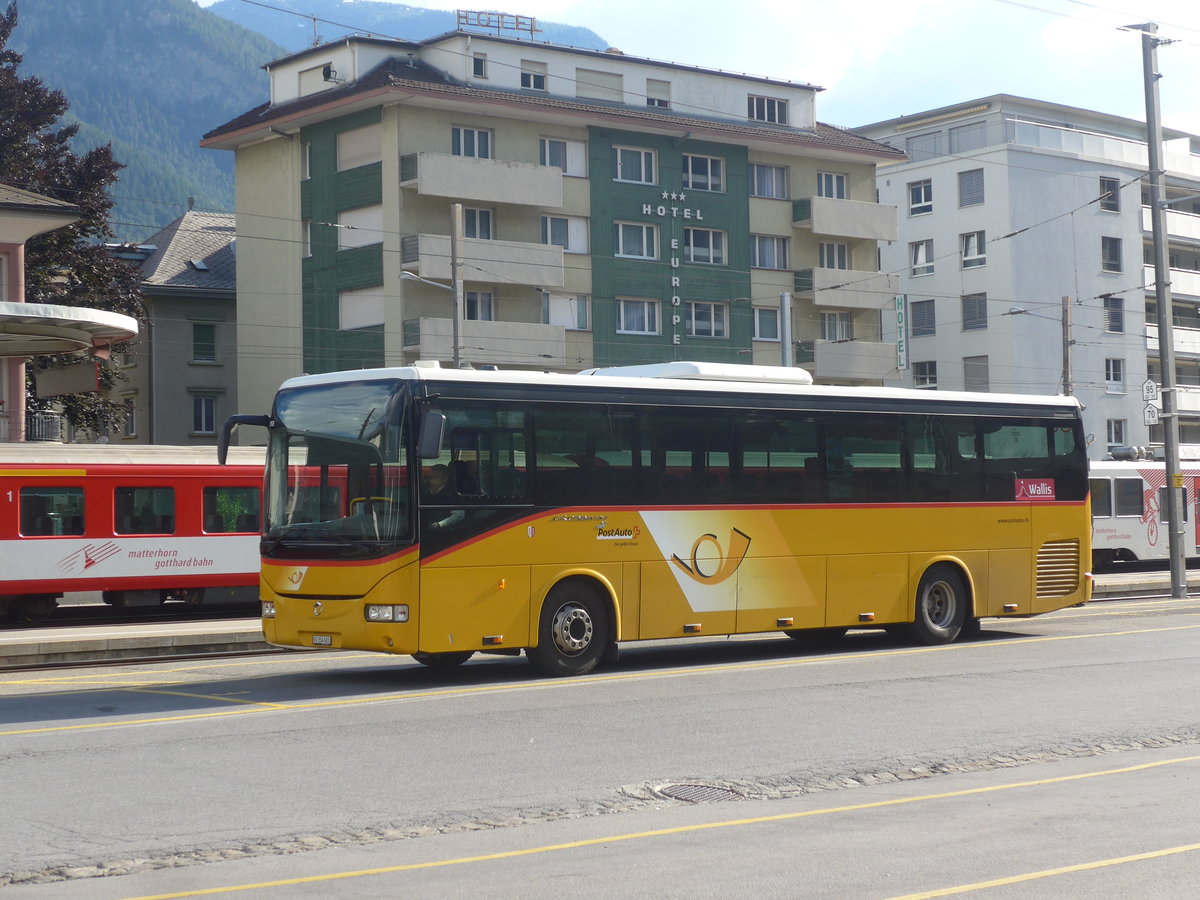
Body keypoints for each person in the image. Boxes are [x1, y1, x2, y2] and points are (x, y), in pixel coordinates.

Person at [423, 464, 464, 531]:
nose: (431, 481)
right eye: (430, 478)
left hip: (443, 531)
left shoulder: (452, 495)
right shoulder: (427, 492)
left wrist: (440, 524)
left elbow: (459, 515)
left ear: (444, 479)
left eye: (435, 478)